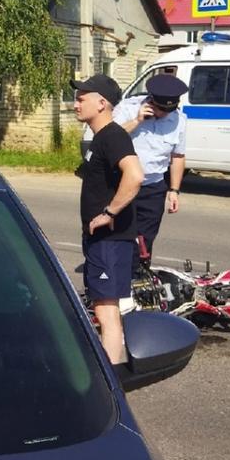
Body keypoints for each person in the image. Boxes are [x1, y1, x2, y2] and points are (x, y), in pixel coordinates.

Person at [72, 74, 144, 366]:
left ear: (102, 103)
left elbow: (135, 174)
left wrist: (109, 212)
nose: (75, 104)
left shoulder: (113, 135)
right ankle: (110, 375)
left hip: (110, 240)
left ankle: (111, 381)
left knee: (106, 312)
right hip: (102, 240)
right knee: (105, 309)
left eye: (81, 98)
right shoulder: (101, 137)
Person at [113, 73, 189, 270]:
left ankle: (139, 278)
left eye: (168, 109)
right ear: (151, 100)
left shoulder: (179, 119)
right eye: (161, 109)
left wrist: (174, 190)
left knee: (145, 240)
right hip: (121, 184)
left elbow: (178, 156)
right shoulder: (128, 109)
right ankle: (116, 279)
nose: (164, 114)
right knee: (120, 235)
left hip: (153, 187)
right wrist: (137, 121)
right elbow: (109, 138)